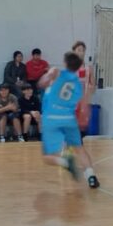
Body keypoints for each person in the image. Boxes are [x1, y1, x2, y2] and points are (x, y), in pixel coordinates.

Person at [38, 52, 99, 188]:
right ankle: (91, 176)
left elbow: (42, 82)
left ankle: (65, 162)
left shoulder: (56, 72)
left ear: (65, 63)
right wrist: (83, 119)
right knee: (80, 149)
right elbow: (84, 106)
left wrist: (46, 79)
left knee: (47, 157)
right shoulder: (78, 84)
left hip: (52, 119)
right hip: (69, 120)